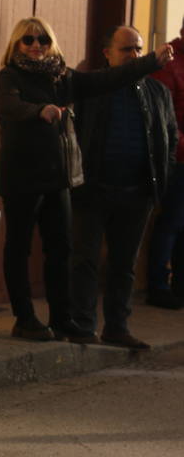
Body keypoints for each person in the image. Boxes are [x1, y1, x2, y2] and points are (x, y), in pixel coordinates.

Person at [0, 17, 173, 341]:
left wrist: (151, 62)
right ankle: (25, 317)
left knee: (60, 249)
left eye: (43, 40)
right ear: (17, 44)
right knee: (19, 248)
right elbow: (9, 107)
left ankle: (63, 319)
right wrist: (39, 110)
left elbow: (111, 78)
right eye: (28, 40)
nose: (36, 45)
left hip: (58, 177)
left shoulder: (63, 78)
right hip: (22, 177)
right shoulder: (8, 77)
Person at [63, 26, 179, 348]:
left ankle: (117, 326)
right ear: (108, 53)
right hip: (93, 190)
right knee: (84, 260)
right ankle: (83, 326)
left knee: (123, 265)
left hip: (137, 192)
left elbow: (168, 137)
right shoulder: (92, 89)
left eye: (138, 49)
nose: (134, 55)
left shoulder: (157, 93)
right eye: (126, 49)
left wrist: (160, 177)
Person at [145, 17, 184, 308]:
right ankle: (158, 285)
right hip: (177, 159)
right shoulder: (168, 63)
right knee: (171, 221)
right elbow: (162, 117)